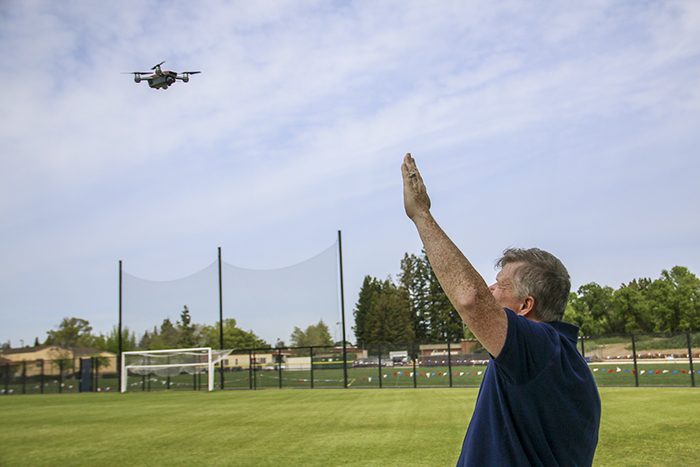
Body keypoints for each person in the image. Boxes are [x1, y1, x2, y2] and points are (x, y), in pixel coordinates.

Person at [401, 153, 601, 467]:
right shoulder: (558, 360)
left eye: (499, 285)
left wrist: (421, 215)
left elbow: (472, 300)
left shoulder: (540, 351)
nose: (490, 291)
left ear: (526, 306)